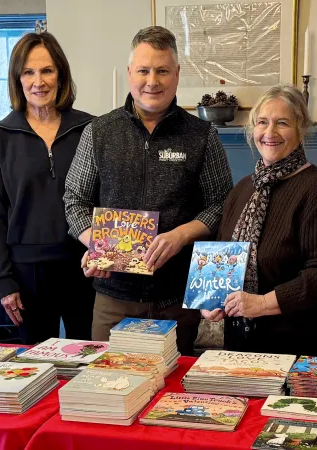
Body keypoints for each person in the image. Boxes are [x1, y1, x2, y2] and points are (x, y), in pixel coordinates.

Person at [63, 26, 233, 356]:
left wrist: (181, 235)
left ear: (177, 75)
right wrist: (97, 246)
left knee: (168, 397)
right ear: (129, 73)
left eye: (162, 71)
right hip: (113, 299)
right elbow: (74, 201)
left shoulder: (202, 135)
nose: (152, 81)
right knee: (109, 388)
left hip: (177, 301)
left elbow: (221, 204)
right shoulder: (99, 132)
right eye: (143, 70)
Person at [199, 85, 317, 356]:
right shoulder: (243, 188)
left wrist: (261, 304)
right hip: (239, 343)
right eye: (262, 122)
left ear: (300, 129)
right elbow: (221, 256)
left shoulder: (316, 189)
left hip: (294, 345)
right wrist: (211, 300)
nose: (270, 133)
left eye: (282, 123)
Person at [0, 32, 96, 344]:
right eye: (28, 72)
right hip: (26, 273)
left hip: (83, 265)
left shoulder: (89, 129)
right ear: (17, 79)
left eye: (47, 70)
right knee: (35, 367)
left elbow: (103, 199)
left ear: (60, 74)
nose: (39, 81)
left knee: (89, 358)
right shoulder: (1, 136)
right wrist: (4, 279)